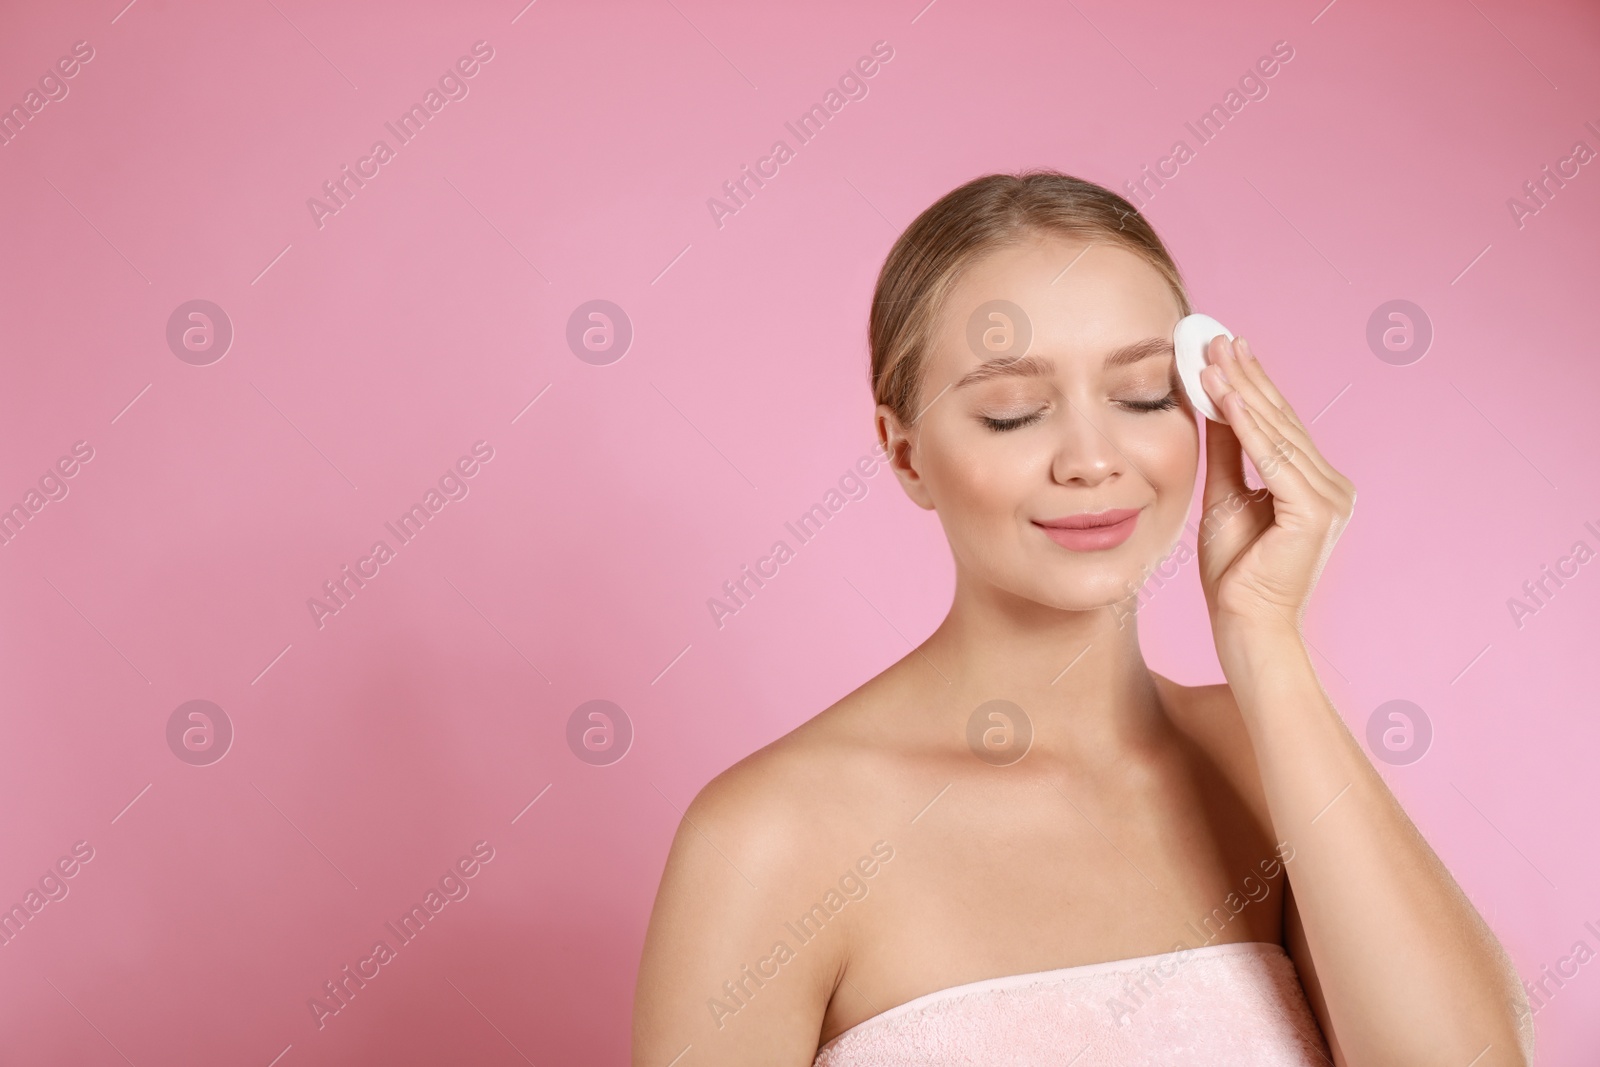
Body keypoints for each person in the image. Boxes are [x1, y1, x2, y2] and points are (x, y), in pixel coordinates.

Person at [632, 170, 1533, 1065]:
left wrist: (1265, 635)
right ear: (904, 453)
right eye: (1012, 411)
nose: (1092, 460)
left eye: (1144, 395)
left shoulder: (1262, 753)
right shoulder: (768, 837)